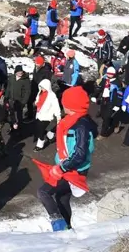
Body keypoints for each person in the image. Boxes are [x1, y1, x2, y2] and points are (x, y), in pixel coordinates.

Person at [36, 86, 96, 232]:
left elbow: (80, 154)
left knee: (43, 192)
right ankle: (67, 228)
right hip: (68, 167)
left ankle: (59, 227)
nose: (63, 106)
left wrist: (61, 167)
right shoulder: (72, 120)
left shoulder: (80, 126)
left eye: (65, 104)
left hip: (73, 171)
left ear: (71, 106)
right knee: (62, 198)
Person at [94, 67, 124, 138]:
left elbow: (119, 95)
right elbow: (100, 88)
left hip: (111, 102)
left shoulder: (117, 82)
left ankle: (103, 134)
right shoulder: (104, 79)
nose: (109, 75)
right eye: (108, 73)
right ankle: (115, 123)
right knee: (103, 116)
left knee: (107, 117)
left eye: (110, 74)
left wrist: (117, 104)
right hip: (103, 100)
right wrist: (95, 95)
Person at [34, 78, 61, 151]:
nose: (42, 88)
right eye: (41, 87)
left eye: (43, 87)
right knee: (39, 128)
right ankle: (51, 136)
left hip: (47, 116)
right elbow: (37, 99)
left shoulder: (52, 95)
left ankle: (40, 145)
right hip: (39, 114)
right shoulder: (40, 92)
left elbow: (56, 106)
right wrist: (36, 103)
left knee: (40, 131)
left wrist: (58, 116)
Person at [6, 65, 31, 133]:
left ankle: (20, 129)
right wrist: (6, 97)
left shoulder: (26, 80)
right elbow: (8, 88)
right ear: (16, 72)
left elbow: (27, 92)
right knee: (11, 115)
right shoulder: (12, 77)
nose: (20, 73)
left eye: (21, 71)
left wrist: (23, 102)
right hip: (11, 100)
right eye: (19, 71)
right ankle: (12, 127)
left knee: (19, 115)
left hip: (20, 101)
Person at [28, 56, 53, 120]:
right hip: (34, 87)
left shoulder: (46, 71)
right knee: (29, 101)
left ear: (42, 63)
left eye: (38, 64)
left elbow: (47, 82)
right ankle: (30, 116)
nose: (36, 65)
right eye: (36, 63)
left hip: (41, 89)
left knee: (40, 104)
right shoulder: (36, 67)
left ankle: (38, 117)